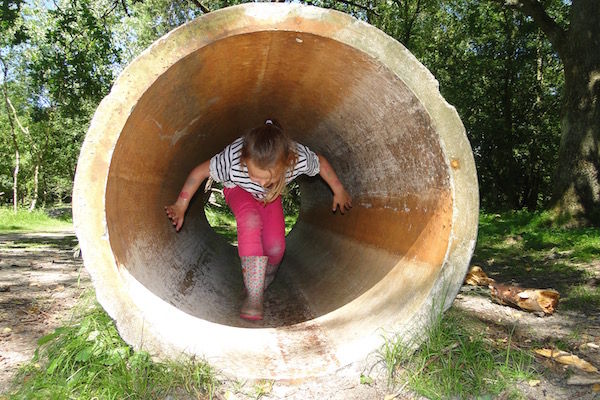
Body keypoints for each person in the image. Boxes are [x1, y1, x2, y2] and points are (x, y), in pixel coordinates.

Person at [165, 119, 352, 321]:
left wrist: (339, 189)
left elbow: (321, 162)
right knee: (250, 221)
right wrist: (181, 204)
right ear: (245, 161)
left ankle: (266, 278)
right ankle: (254, 295)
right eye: (256, 176)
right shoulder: (233, 157)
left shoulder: (295, 157)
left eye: (268, 178)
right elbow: (200, 172)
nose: (262, 183)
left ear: (287, 162)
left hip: (270, 197)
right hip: (238, 190)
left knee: (275, 247)